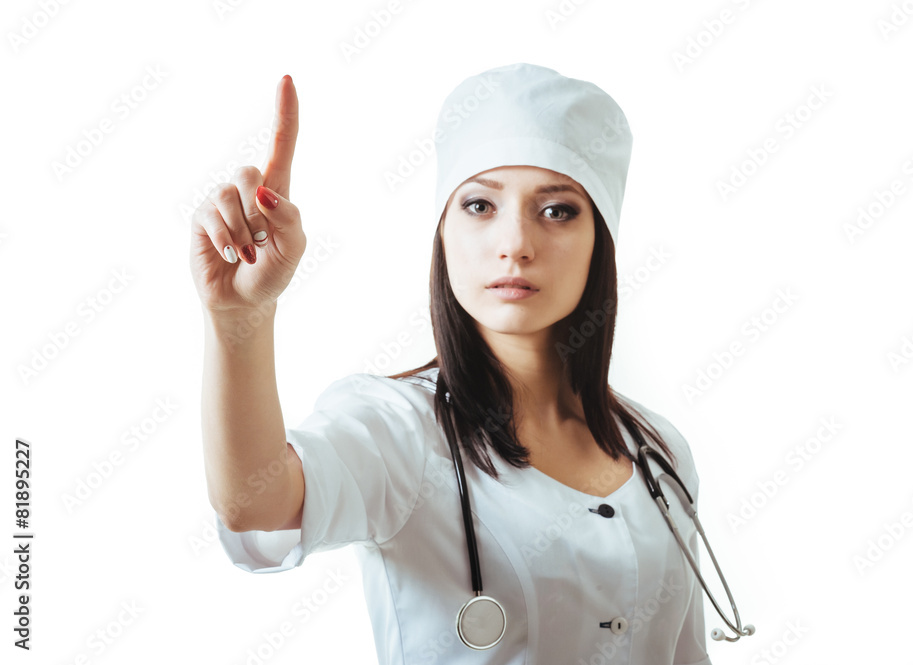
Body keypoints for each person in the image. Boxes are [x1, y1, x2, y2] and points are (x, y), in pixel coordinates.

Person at [192, 64, 713, 664]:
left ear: (602, 239)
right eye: (480, 205)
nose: (515, 244)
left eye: (557, 211)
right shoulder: (396, 427)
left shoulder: (660, 452)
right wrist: (239, 319)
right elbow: (254, 504)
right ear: (443, 232)